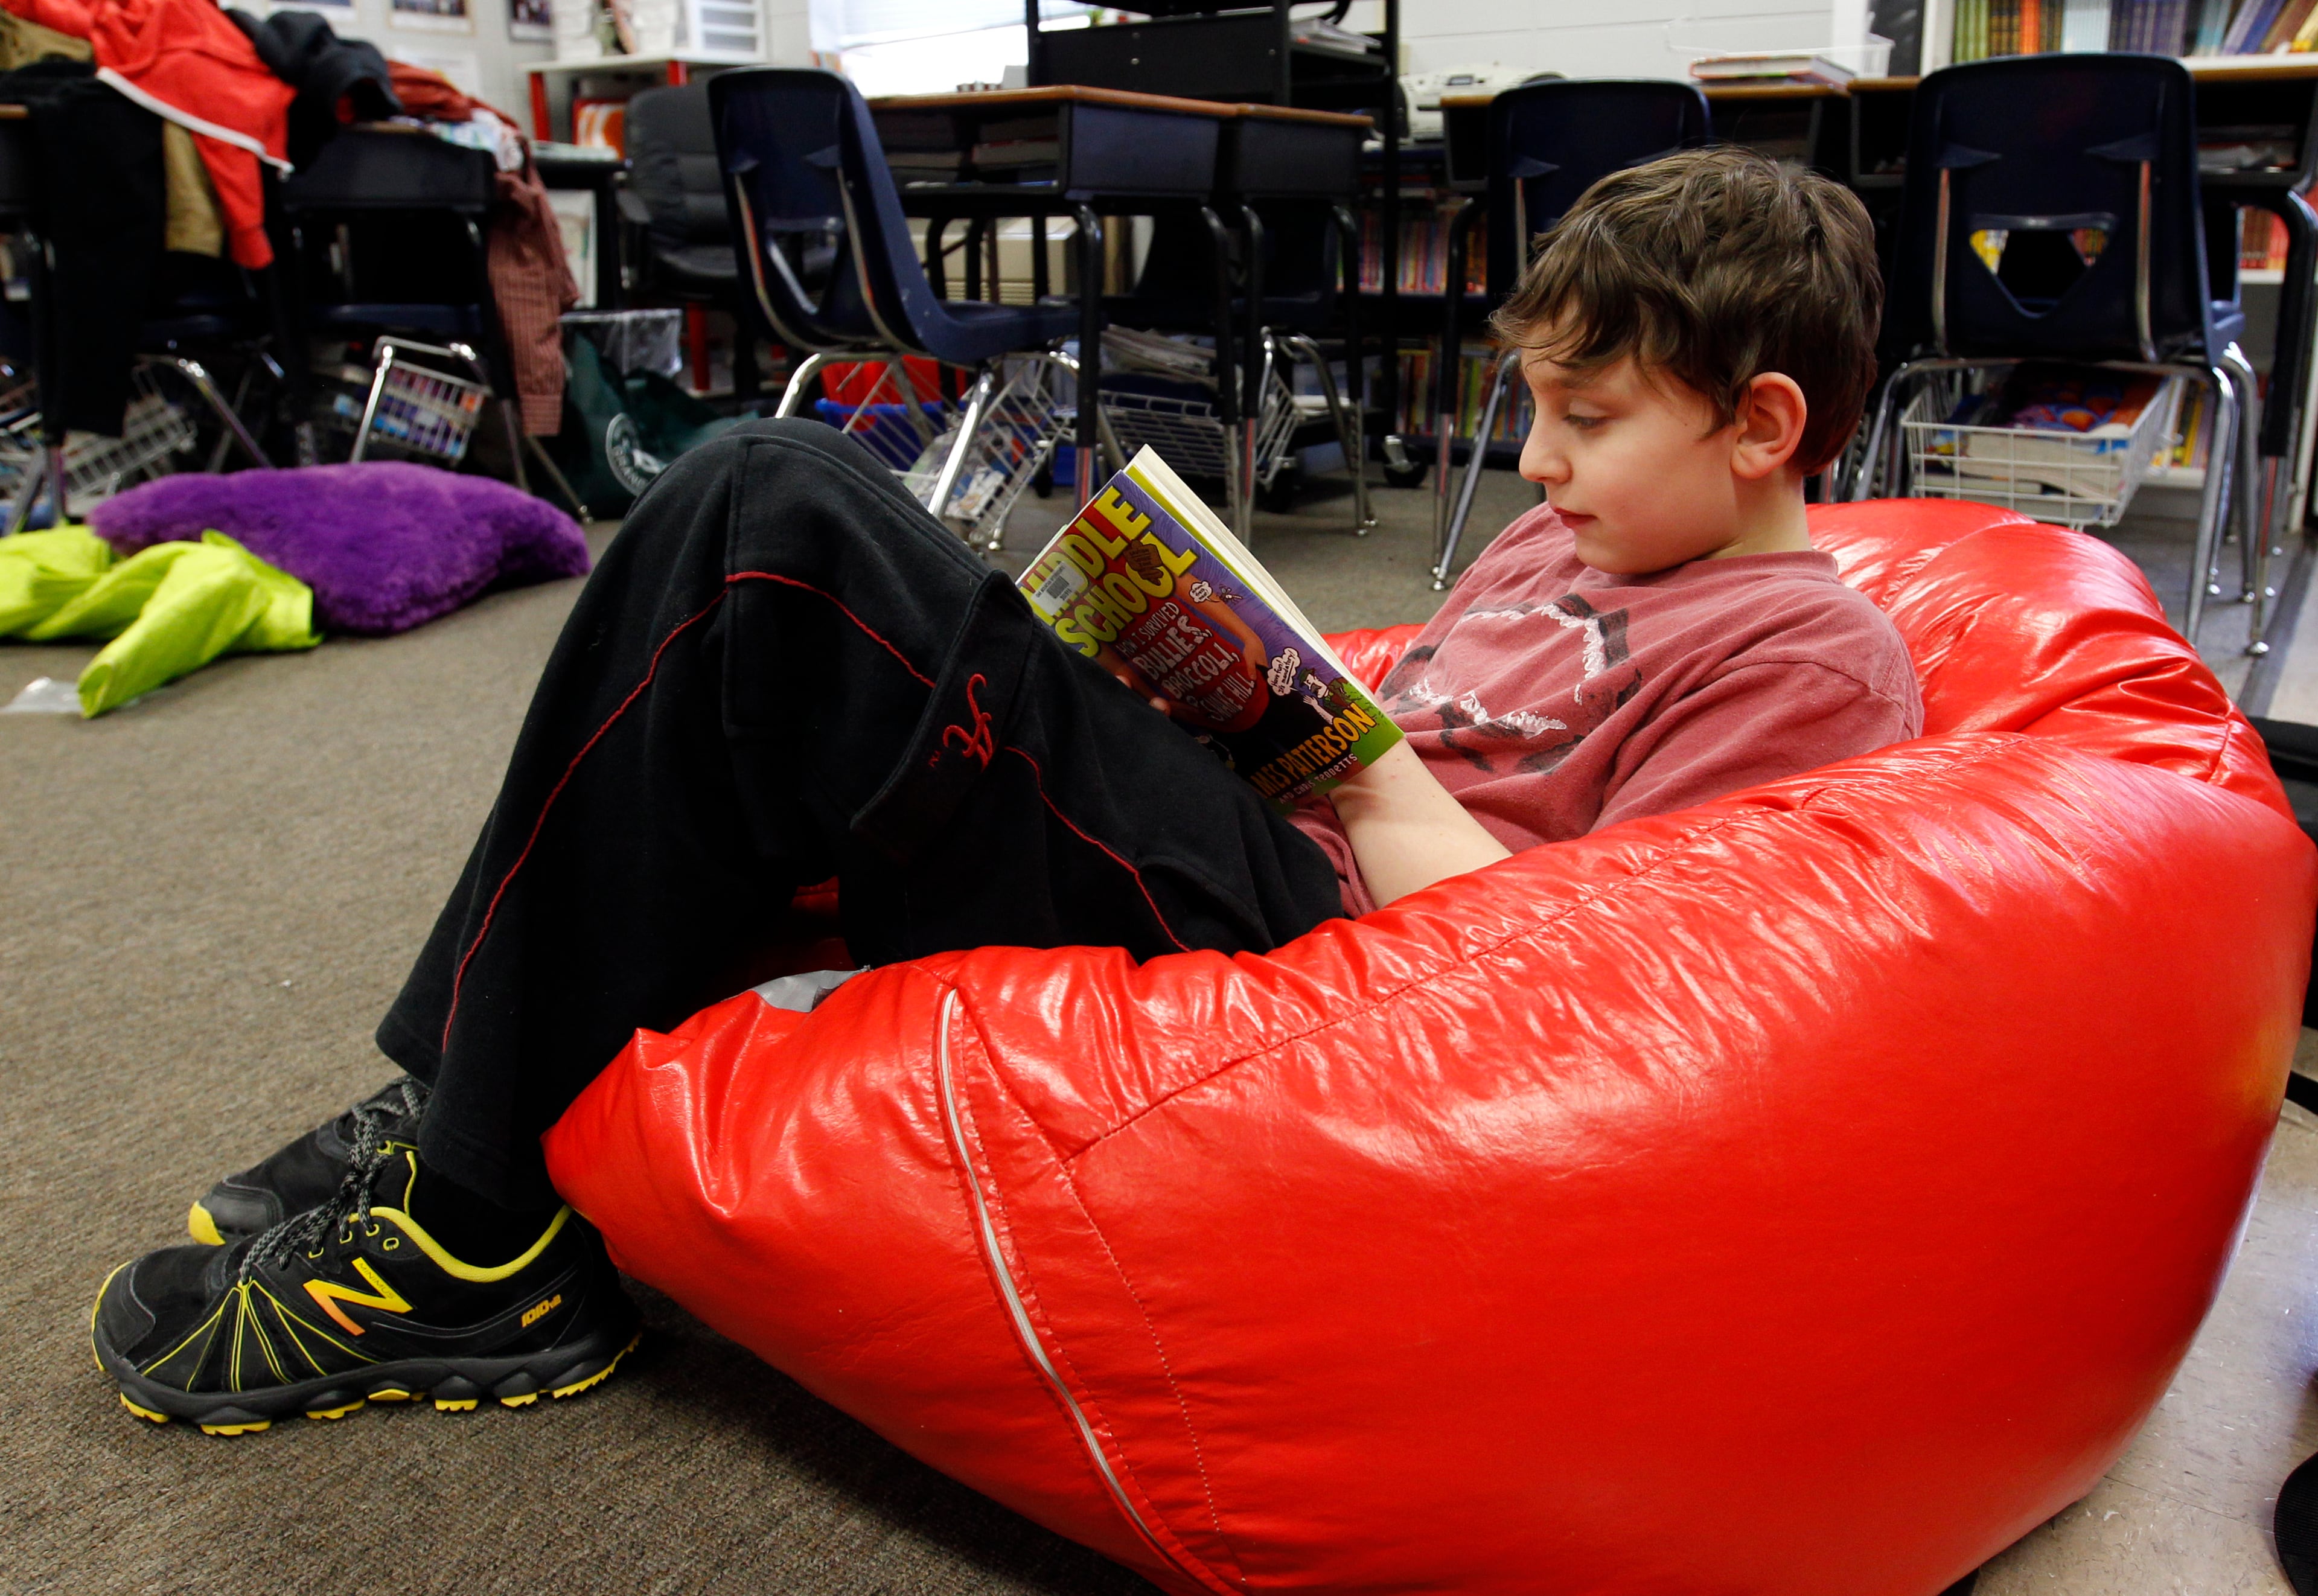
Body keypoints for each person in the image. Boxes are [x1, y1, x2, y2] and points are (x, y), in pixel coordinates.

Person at [91, 146, 1923, 1435]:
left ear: (1762, 425)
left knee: (771, 515)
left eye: (1586, 421)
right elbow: (1426, 717)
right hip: (1268, 826)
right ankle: (465, 1107)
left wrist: (1353, 769)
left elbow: (1610, 1025)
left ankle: (474, 1216)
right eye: (1534, 408)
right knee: (792, 558)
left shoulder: (1808, 664)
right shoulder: (1563, 545)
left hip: (1336, 964)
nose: (1537, 463)